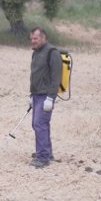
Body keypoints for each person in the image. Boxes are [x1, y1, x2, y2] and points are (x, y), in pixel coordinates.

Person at [29, 27, 62, 168]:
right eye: (31, 39)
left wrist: (51, 98)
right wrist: (31, 95)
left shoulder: (52, 53)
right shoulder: (35, 53)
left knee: (39, 124)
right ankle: (47, 153)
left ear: (43, 38)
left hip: (46, 95)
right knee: (38, 124)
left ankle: (42, 158)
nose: (33, 41)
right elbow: (35, 75)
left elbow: (56, 78)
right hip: (36, 95)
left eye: (35, 38)